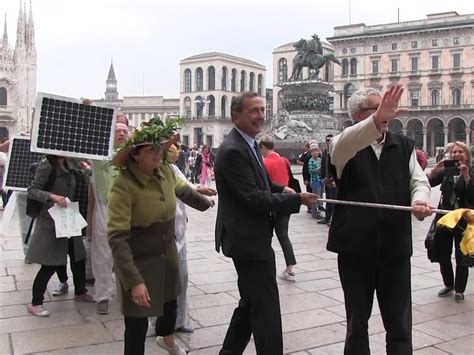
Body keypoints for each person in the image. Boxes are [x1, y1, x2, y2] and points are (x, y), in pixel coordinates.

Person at [328, 85, 432, 354]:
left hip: (394, 248)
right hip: (355, 249)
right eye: (376, 108)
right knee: (356, 323)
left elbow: (418, 181)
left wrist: (419, 199)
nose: (385, 114)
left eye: (386, 108)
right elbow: (347, 144)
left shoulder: (403, 144)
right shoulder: (343, 145)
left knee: (399, 324)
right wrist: (377, 120)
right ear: (356, 116)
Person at [214, 91, 319, 354]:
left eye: (262, 110)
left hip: (251, 238)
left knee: (250, 303)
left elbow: (258, 182)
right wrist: (297, 201)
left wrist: (281, 188)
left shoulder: (248, 143)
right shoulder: (233, 150)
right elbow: (253, 197)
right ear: (236, 115)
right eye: (254, 110)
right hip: (246, 240)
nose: (261, 115)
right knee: (266, 308)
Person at [107, 117, 213, 355]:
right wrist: (133, 281)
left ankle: (166, 340)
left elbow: (184, 190)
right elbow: (116, 237)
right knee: (136, 327)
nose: (158, 153)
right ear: (136, 155)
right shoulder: (123, 185)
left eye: (160, 148)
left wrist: (207, 203)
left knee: (169, 312)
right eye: (151, 149)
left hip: (167, 256)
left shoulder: (165, 171)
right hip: (138, 260)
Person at [149, 144, 216, 334]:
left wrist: (201, 191)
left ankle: (179, 320)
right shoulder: (151, 171)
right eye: (170, 147)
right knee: (158, 280)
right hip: (160, 232)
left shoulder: (174, 169)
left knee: (182, 277)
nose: (175, 151)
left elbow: (185, 186)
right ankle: (155, 323)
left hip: (179, 230)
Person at [26, 155, 94, 317]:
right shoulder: (47, 165)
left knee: (79, 257)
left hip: (69, 217)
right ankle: (36, 302)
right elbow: (33, 190)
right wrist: (52, 196)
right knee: (50, 263)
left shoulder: (70, 163)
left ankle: (80, 291)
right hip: (53, 220)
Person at [88, 114, 130, 314]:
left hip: (128, 209)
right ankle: (103, 295)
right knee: (102, 254)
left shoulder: (132, 155)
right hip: (104, 208)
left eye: (124, 131)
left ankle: (128, 292)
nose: (121, 134)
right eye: (117, 130)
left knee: (128, 253)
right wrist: (87, 110)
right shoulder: (97, 153)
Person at [427, 141, 472, 303]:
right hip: (445, 220)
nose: (457, 155)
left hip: (463, 222)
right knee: (443, 254)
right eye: (454, 152)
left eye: (460, 152)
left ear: (466, 155)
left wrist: (467, 177)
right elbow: (428, 183)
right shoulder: (447, 171)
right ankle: (448, 284)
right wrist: (435, 169)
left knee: (462, 257)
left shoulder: (471, 172)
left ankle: (459, 289)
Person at [259, 135, 297, 282]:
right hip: (286, 202)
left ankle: (263, 265)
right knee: (283, 235)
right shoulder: (285, 161)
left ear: (263, 147)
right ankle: (290, 268)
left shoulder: (264, 163)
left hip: (271, 202)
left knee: (265, 234)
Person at [319, 134, 337, 225]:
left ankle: (334, 220)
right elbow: (323, 166)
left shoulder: (336, 150)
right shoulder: (326, 151)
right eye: (327, 140)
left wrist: (334, 180)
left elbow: (338, 167)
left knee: (334, 201)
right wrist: (322, 178)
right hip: (326, 180)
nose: (329, 141)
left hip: (333, 181)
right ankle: (327, 217)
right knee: (328, 200)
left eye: (331, 140)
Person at [308, 141, 324, 219]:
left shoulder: (320, 160)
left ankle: (318, 208)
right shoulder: (311, 161)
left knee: (320, 196)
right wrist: (319, 169)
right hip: (315, 181)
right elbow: (311, 171)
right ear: (311, 152)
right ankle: (315, 212)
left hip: (321, 181)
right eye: (313, 151)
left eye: (316, 150)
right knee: (315, 197)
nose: (315, 152)